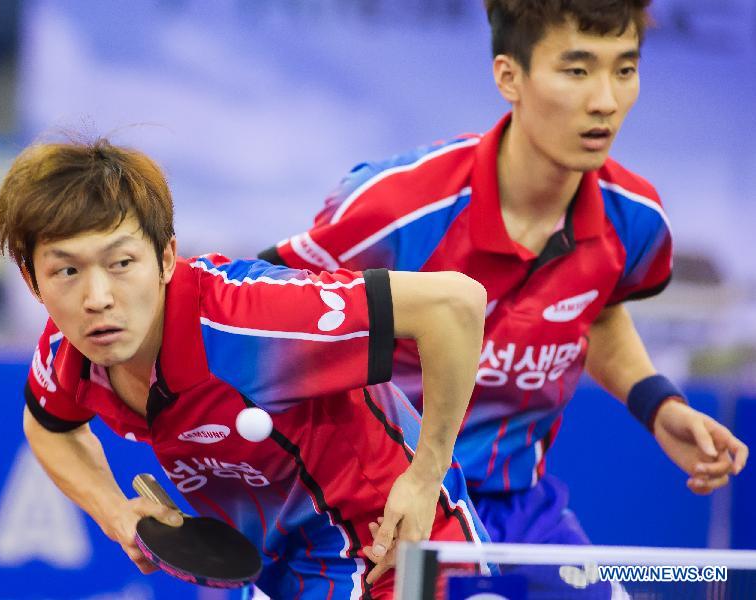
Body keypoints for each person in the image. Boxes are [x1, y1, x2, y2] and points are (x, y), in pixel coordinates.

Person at [258, 0, 748, 557]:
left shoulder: (635, 220)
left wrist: (660, 406)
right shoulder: (397, 209)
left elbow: (598, 312)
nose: (606, 100)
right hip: (374, 511)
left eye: (625, 70)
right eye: (577, 70)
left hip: (522, 510)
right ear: (509, 76)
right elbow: (249, 314)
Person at [0, 139, 490, 599]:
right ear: (33, 281)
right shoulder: (68, 347)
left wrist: (426, 478)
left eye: (121, 263)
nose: (97, 299)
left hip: (395, 556)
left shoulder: (251, 320)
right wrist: (119, 516)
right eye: (67, 271)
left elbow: (455, 305)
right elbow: (49, 426)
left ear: (166, 258)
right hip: (280, 575)